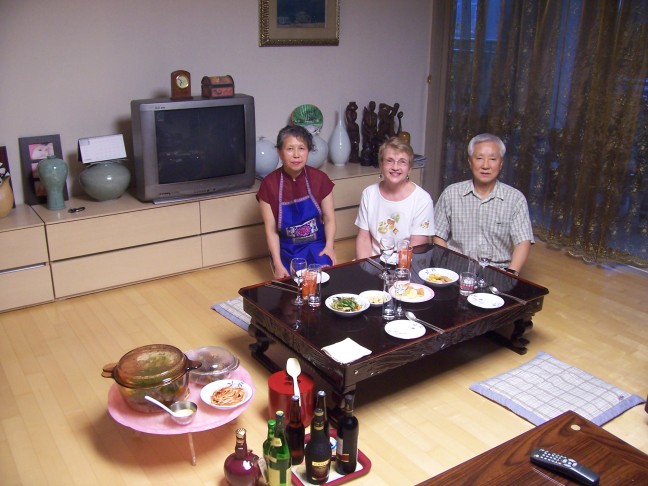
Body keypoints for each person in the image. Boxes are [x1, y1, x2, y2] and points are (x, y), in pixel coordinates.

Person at [432, 133, 533, 275]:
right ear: (470, 162)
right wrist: (448, 265)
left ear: (501, 163)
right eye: (479, 158)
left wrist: (510, 274)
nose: (485, 165)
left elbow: (523, 241)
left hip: (497, 271)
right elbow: (438, 235)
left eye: (493, 159)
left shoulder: (515, 199)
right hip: (457, 268)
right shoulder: (451, 193)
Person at [257, 125, 337, 279]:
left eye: (301, 148)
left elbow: (329, 218)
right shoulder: (269, 184)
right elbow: (271, 231)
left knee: (324, 277)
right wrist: (278, 263)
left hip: (316, 245)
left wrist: (329, 247)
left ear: (308, 151)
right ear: (279, 153)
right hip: (287, 248)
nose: (296, 155)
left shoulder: (320, 179)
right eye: (289, 149)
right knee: (291, 284)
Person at [355, 137, 435, 259]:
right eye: (389, 161)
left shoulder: (422, 200)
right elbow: (363, 238)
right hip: (375, 263)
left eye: (402, 161)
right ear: (381, 165)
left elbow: (418, 247)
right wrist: (366, 268)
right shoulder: (369, 194)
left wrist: (399, 274)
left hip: (407, 265)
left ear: (410, 168)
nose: (395, 167)